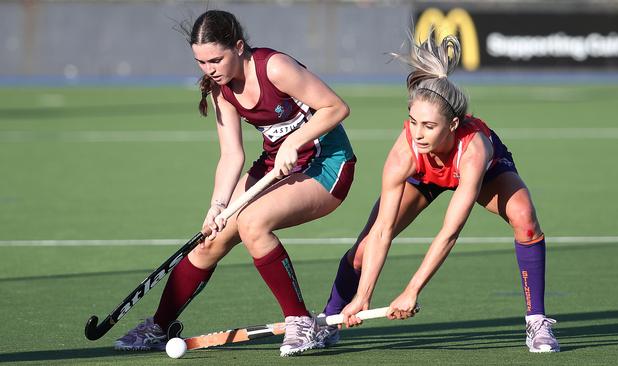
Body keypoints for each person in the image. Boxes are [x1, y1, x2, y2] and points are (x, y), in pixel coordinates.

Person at [114, 10, 356, 357]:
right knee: (210, 241)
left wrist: (293, 141)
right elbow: (231, 155)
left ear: (239, 47)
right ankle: (158, 325)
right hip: (276, 166)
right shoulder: (220, 90)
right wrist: (216, 206)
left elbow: (336, 107)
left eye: (216, 59)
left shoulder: (275, 68)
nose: (210, 69)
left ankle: (302, 323)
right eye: (201, 62)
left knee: (253, 223)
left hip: (327, 165)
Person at [316, 31, 560, 353]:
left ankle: (537, 322)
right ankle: (328, 320)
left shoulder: (473, 151)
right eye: (413, 122)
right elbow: (383, 232)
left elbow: (449, 232)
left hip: (483, 174)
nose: (417, 133)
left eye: (429, 126)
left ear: (454, 125)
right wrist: (363, 297)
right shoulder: (405, 152)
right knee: (363, 248)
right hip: (425, 174)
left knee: (525, 218)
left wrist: (412, 289)